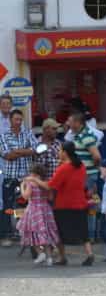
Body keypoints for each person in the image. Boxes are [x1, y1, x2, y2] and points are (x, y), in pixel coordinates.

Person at [0, 109, 38, 248]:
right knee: (8, 208)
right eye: (16, 119)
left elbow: (36, 149)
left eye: (20, 120)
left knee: (27, 206)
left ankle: (26, 234)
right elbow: (6, 155)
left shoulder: (27, 133)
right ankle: (6, 235)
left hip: (26, 178)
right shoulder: (4, 136)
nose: (19, 122)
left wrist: (17, 151)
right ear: (10, 120)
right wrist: (25, 150)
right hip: (10, 177)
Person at [49, 141, 90, 266]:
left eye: (60, 150)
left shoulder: (63, 168)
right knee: (83, 231)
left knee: (58, 231)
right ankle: (90, 254)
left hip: (63, 204)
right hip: (80, 202)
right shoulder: (81, 165)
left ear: (65, 153)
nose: (58, 152)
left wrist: (34, 179)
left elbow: (51, 185)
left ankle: (62, 257)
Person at [67, 112, 102, 252]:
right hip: (83, 176)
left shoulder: (86, 136)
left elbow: (96, 156)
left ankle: (91, 235)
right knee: (85, 206)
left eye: (70, 121)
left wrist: (91, 169)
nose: (68, 124)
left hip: (88, 177)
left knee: (89, 206)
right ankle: (87, 235)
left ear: (78, 123)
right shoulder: (78, 135)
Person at [18, 164, 59, 266]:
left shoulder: (31, 184)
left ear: (34, 174)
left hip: (33, 209)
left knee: (31, 232)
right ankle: (49, 258)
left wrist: (22, 187)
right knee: (46, 234)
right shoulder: (46, 183)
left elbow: (26, 196)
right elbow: (50, 198)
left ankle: (40, 253)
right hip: (45, 209)